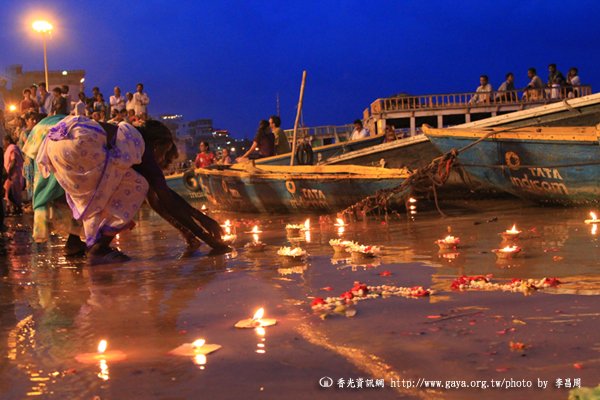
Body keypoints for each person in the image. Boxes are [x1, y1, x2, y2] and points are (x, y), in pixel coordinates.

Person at [36, 115, 149, 262]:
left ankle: (77, 245)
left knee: (89, 198)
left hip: (52, 145)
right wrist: (124, 216)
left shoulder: (114, 130)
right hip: (80, 140)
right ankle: (99, 249)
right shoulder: (134, 139)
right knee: (137, 185)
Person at [3, 135, 25, 215]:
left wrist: (9, 172)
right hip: (12, 174)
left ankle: (16, 209)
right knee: (9, 191)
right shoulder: (11, 148)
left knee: (13, 192)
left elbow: (13, 161)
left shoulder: (12, 148)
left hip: (13, 174)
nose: (3, 143)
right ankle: (12, 209)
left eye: (4, 141)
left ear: (8, 140)